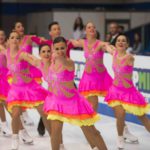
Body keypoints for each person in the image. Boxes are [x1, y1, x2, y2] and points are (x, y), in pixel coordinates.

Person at [71, 22, 138, 145]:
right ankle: (92, 131)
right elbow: (70, 42)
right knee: (93, 106)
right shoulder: (83, 42)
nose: (92, 29)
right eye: (89, 27)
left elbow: (109, 48)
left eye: (94, 27)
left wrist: (115, 51)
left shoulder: (101, 44)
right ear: (85, 31)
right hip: (88, 79)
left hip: (102, 79)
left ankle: (124, 129)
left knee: (115, 106)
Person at [105, 34, 150, 149]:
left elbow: (131, 57)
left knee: (142, 117)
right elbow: (107, 46)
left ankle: (125, 132)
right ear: (115, 44)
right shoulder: (114, 54)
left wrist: (112, 46)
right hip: (115, 91)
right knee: (120, 114)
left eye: (123, 41)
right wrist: (106, 44)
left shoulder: (129, 57)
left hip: (129, 93)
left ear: (127, 45)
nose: (121, 42)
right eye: (118, 41)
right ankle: (120, 137)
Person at [6, 31, 50, 150]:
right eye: (12, 37)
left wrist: (42, 60)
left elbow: (34, 61)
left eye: (17, 38)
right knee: (15, 114)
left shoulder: (22, 54)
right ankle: (15, 139)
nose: (15, 40)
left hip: (30, 87)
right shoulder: (6, 52)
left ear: (20, 41)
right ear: (9, 40)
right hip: (16, 89)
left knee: (44, 113)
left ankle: (55, 138)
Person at [0, 29, 11, 137]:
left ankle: (19, 126)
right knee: (1, 103)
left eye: (3, 34)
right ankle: (3, 124)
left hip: (7, 77)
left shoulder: (8, 46)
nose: (1, 36)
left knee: (9, 103)